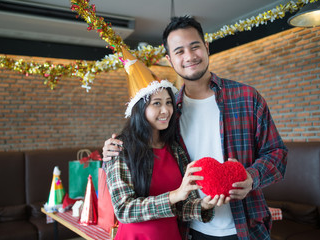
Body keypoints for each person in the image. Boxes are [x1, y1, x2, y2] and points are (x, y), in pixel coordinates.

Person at [103, 16, 288, 240]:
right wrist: (112, 150)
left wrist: (251, 177)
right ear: (169, 60)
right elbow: (144, 150)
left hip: (248, 226)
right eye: (179, 51)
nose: (189, 56)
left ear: (206, 47)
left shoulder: (247, 98)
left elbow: (277, 154)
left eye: (195, 47)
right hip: (192, 230)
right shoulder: (171, 116)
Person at [104, 46, 227, 240]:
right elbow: (124, 209)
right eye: (156, 103)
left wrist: (204, 205)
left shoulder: (175, 149)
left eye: (168, 102)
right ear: (140, 109)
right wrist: (175, 194)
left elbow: (179, 208)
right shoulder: (120, 148)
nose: (166, 110)